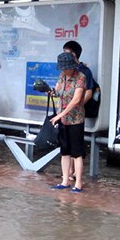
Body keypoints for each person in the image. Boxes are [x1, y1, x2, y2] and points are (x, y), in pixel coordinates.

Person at [50, 52, 86, 193]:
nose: (65, 71)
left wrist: (61, 114)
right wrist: (50, 92)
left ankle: (78, 183)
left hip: (76, 119)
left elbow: (76, 100)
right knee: (65, 151)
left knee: (76, 152)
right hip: (63, 120)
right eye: (63, 68)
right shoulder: (62, 76)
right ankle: (65, 180)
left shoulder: (80, 77)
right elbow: (58, 91)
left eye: (67, 68)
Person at [62, 41, 94, 182]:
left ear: (74, 54)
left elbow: (88, 92)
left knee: (76, 147)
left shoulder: (84, 72)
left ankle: (76, 176)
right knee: (66, 147)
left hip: (76, 116)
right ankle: (67, 174)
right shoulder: (64, 73)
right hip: (65, 116)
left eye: (67, 53)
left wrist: (78, 104)